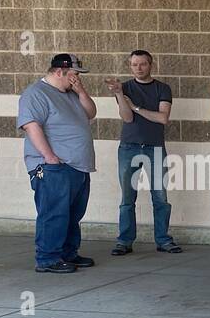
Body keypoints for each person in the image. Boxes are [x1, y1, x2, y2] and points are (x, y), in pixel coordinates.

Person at [17, 53, 97, 274]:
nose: (76, 78)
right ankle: (47, 258)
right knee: (54, 213)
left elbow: (91, 113)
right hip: (53, 167)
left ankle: (68, 253)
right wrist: (49, 157)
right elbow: (31, 126)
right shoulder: (36, 94)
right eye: (74, 74)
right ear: (60, 72)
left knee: (73, 214)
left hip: (78, 166)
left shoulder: (70, 94)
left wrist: (80, 90)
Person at [106, 50, 181, 256]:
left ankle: (163, 239)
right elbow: (127, 118)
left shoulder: (162, 88)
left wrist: (136, 106)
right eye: (134, 64)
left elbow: (162, 118)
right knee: (127, 198)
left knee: (160, 196)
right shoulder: (125, 88)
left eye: (143, 64)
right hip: (128, 147)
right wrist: (120, 94)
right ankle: (124, 241)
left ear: (150, 65)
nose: (138, 68)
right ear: (130, 66)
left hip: (154, 147)